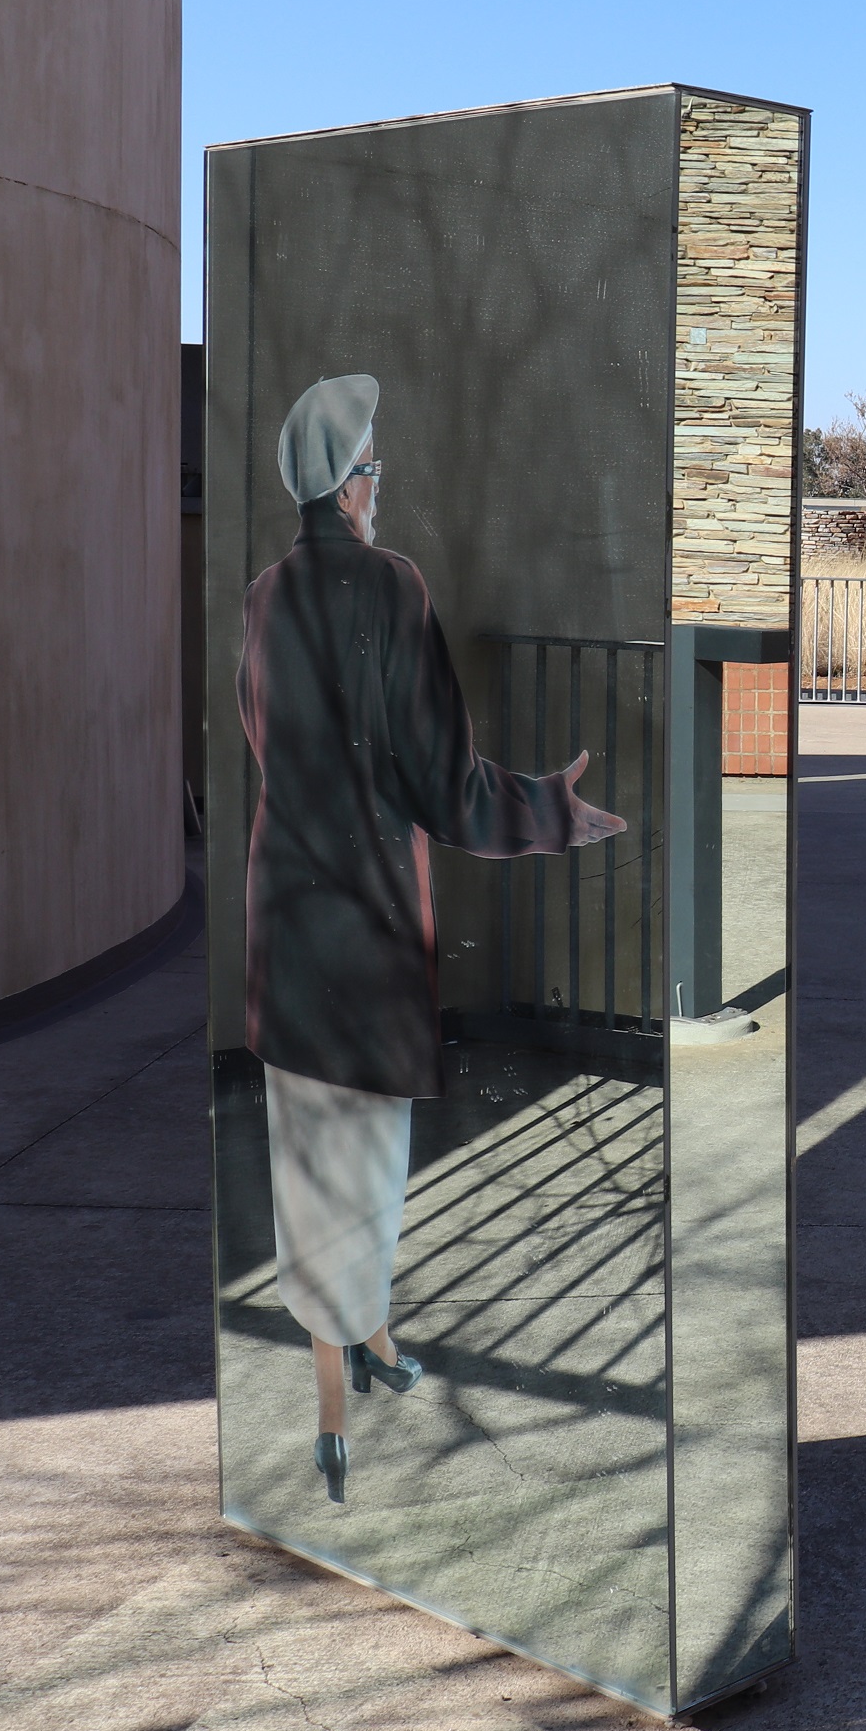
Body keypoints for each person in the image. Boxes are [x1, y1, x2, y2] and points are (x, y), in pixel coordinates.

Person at [240, 374, 624, 1504]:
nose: (380, 485)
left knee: (307, 1155)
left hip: (286, 921)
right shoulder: (393, 587)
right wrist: (554, 806)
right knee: (367, 1161)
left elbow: (275, 742)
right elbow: (446, 786)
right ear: (352, 484)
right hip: (364, 924)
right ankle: (335, 1407)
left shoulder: (265, 594)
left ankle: (363, 1348)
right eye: (375, 468)